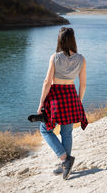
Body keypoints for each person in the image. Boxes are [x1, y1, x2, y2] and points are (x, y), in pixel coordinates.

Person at [37, 27, 88, 180]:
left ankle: (65, 160)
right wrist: (78, 101)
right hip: (71, 95)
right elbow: (83, 84)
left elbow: (47, 82)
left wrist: (40, 103)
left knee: (45, 130)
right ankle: (65, 163)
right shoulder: (81, 58)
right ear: (73, 40)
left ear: (59, 40)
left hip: (56, 97)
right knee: (66, 132)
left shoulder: (55, 57)